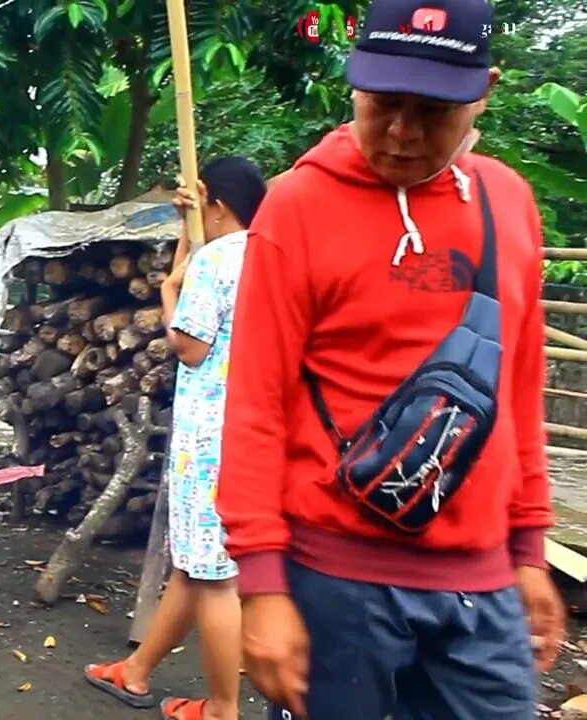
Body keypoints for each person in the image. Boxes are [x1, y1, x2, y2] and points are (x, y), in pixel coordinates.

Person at [216, 1, 566, 718]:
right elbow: (256, 401)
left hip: (482, 578)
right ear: (354, 86)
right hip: (336, 577)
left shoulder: (508, 201)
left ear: (484, 92)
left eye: (433, 110)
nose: (403, 133)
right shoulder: (300, 205)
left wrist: (529, 549)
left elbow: (521, 387)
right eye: (383, 104)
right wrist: (263, 586)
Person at [83, 157, 267, 719]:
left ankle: (223, 708)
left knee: (214, 577)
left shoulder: (217, 260)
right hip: (256, 427)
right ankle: (137, 672)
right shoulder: (271, 254)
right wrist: (190, 253)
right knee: (197, 562)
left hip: (211, 434)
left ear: (218, 203)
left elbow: (190, 344)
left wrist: (169, 287)